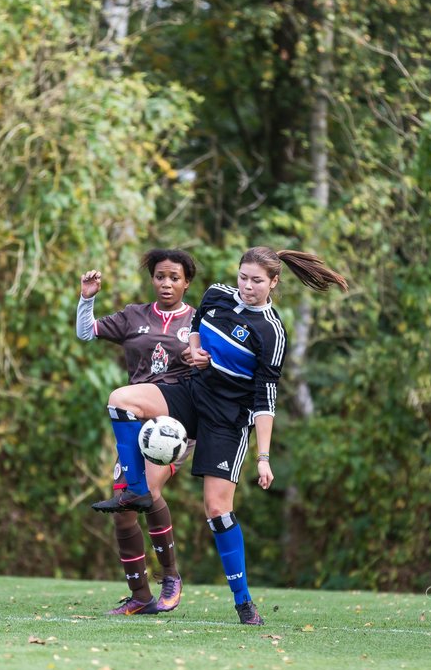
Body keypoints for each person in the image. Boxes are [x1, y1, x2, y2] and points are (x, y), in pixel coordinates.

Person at [94, 247, 348, 625]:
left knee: (217, 510)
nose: (247, 286)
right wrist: (196, 352)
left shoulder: (271, 331)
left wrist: (263, 457)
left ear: (274, 283)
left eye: (257, 281)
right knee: (121, 400)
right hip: (192, 394)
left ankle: (244, 603)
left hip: (227, 420)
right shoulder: (216, 295)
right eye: (243, 277)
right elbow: (195, 329)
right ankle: (138, 490)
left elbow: (265, 399)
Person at [77, 249, 198, 616]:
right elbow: (86, 333)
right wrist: (87, 297)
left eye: (174, 277)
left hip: (173, 423)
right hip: (136, 424)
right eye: (160, 276)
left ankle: (171, 577)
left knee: (149, 490)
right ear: (152, 280)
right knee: (125, 510)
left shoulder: (198, 322)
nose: (166, 283)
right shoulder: (134, 315)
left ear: (186, 282)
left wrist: (202, 360)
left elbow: (217, 367)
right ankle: (140, 596)